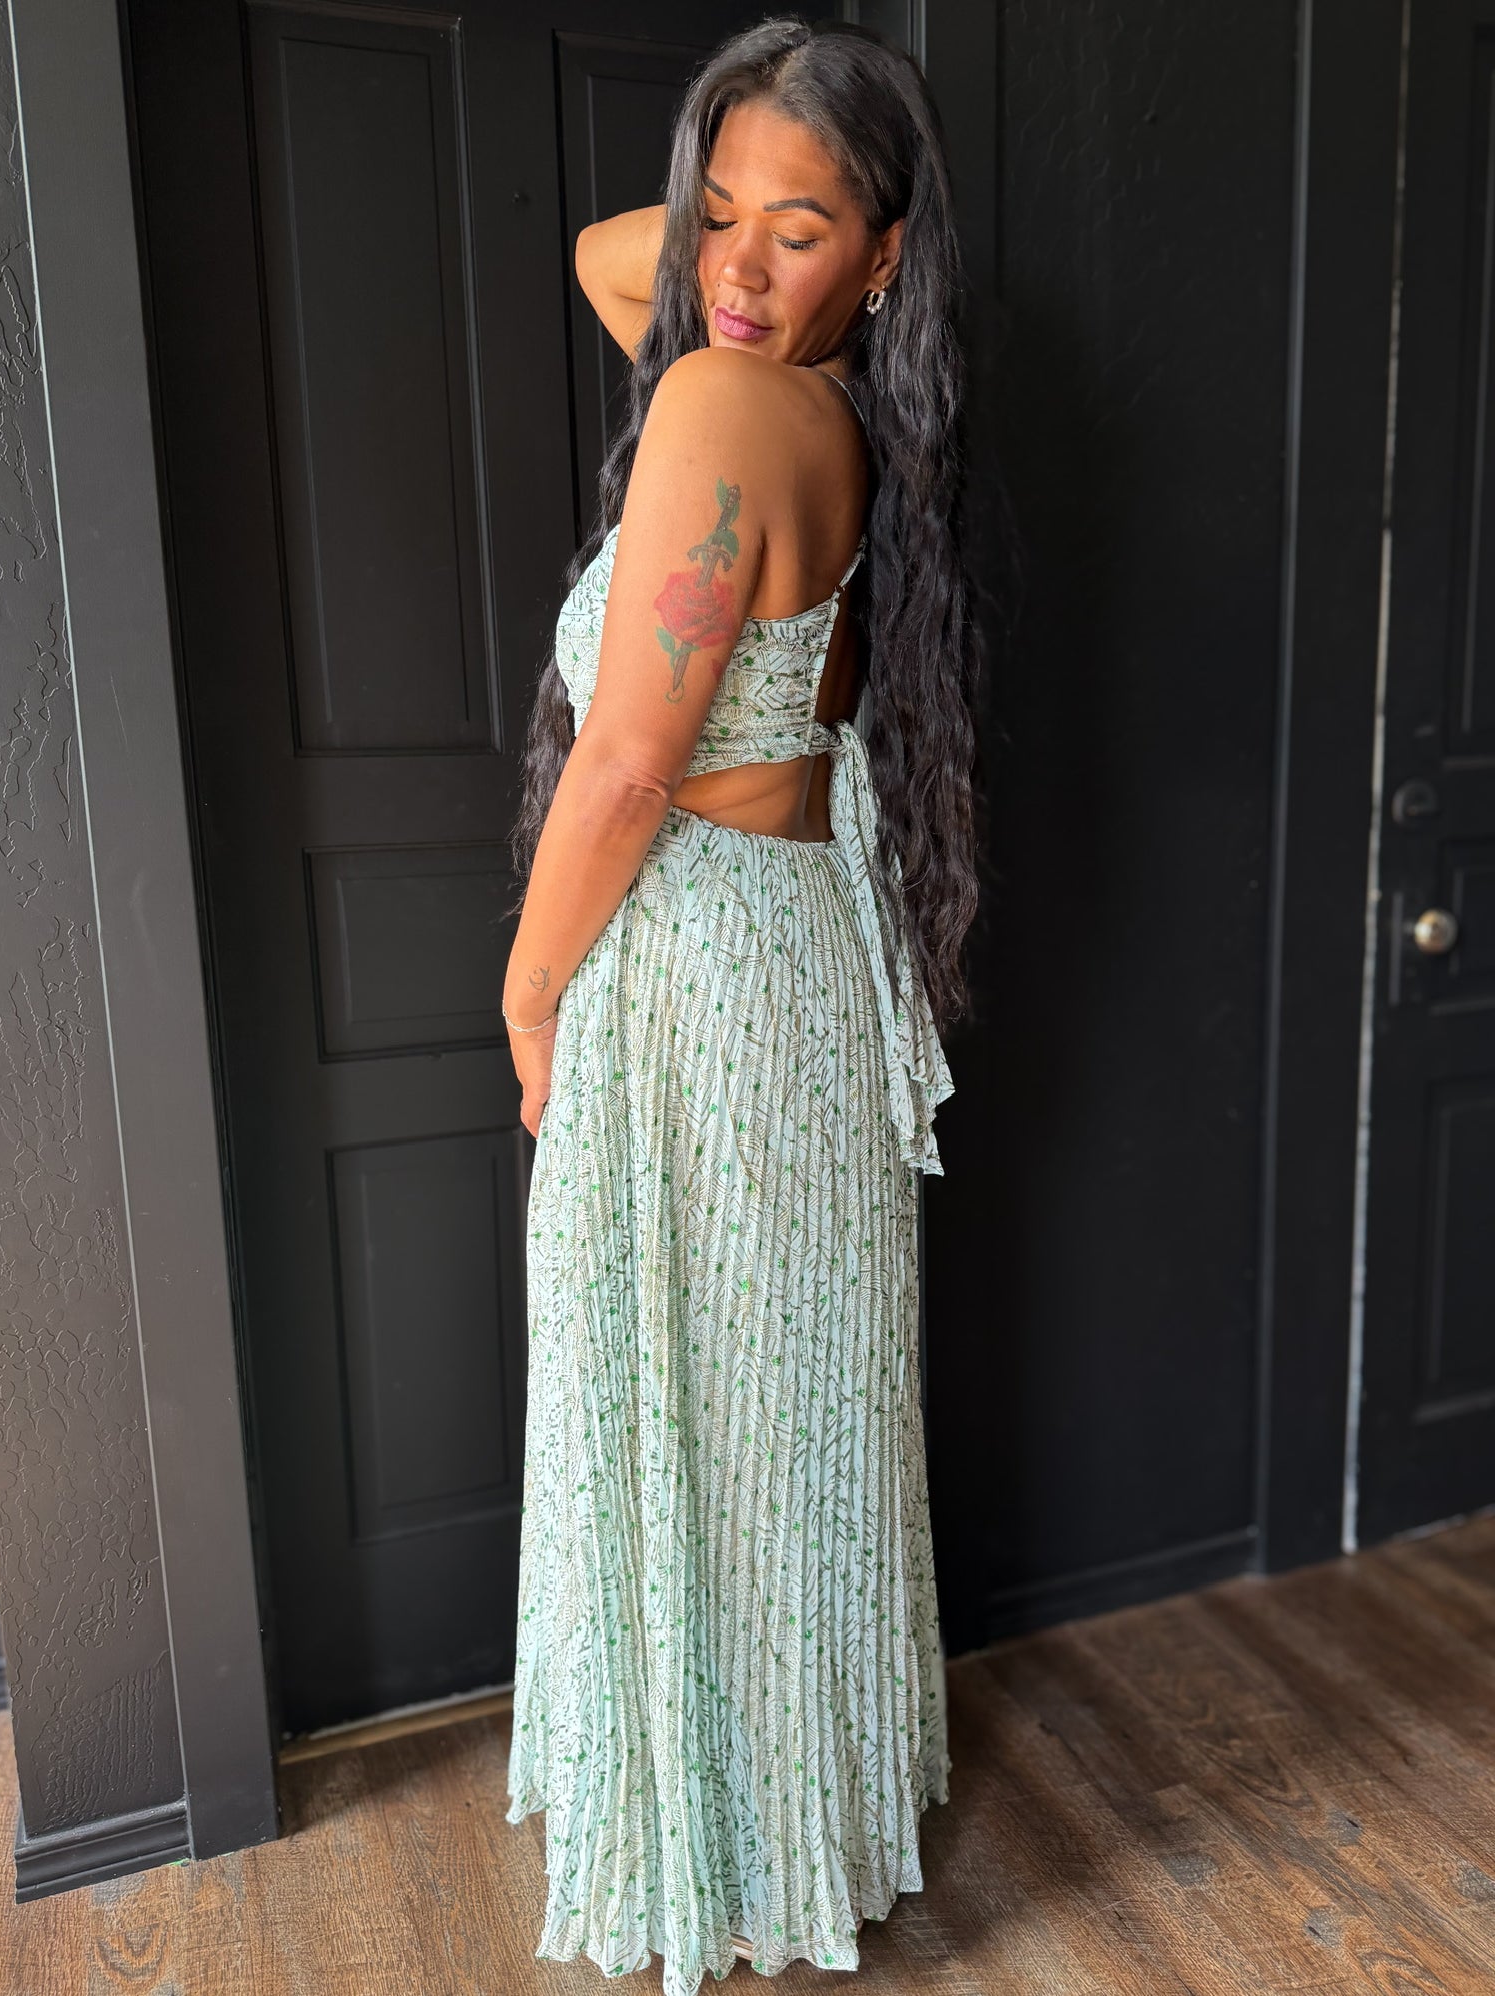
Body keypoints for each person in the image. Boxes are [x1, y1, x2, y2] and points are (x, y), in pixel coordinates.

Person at [501, 17, 986, 1993]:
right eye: (722, 215)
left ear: (889, 256)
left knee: (691, 1426)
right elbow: (627, 263)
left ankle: (715, 1846)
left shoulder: (720, 408)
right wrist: (770, 207)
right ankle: (814, 1822)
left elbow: (623, 769)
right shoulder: (846, 411)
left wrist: (526, 1001)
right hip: (796, 954)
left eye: (805, 232)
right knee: (786, 1429)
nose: (730, 267)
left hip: (691, 969)